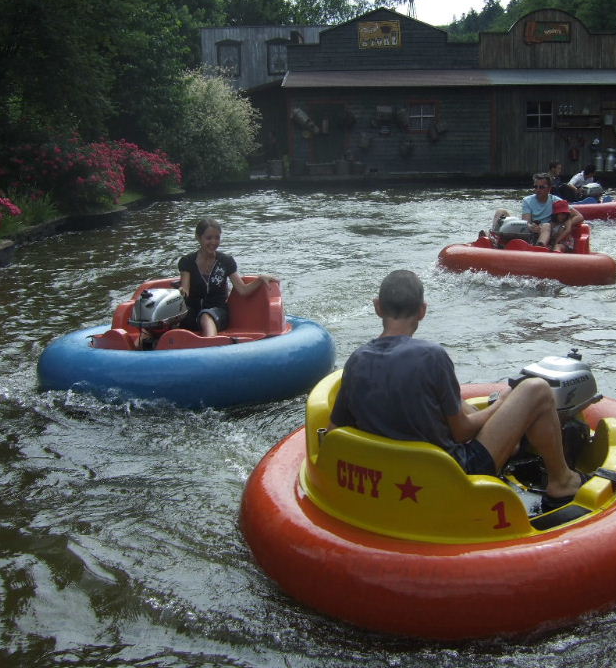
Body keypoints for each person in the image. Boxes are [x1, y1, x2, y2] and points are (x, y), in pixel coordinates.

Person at [330, 270, 586, 511]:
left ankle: (514, 445)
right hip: (451, 475)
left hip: (389, 480)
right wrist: (501, 403)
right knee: (537, 389)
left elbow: (334, 432)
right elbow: (461, 431)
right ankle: (562, 481)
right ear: (422, 311)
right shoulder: (431, 356)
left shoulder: (356, 360)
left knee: (456, 403)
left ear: (377, 307)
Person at [176, 218, 278, 337]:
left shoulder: (226, 261)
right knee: (176, 316)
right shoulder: (187, 262)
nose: (213, 242)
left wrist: (260, 279)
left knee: (206, 316)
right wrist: (180, 293)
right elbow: (185, 291)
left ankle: (211, 347)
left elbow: (243, 290)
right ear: (198, 238)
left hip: (217, 312)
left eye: (217, 238)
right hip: (193, 312)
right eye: (209, 238)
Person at [491, 173, 582, 248]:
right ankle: (493, 237)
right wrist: (532, 227)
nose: (538, 190)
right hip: (530, 230)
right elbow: (526, 222)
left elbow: (579, 217)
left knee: (546, 225)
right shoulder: (527, 200)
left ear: (549, 188)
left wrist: (563, 225)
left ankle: (540, 247)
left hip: (546, 230)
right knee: (500, 211)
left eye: (542, 187)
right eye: (536, 187)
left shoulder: (557, 201)